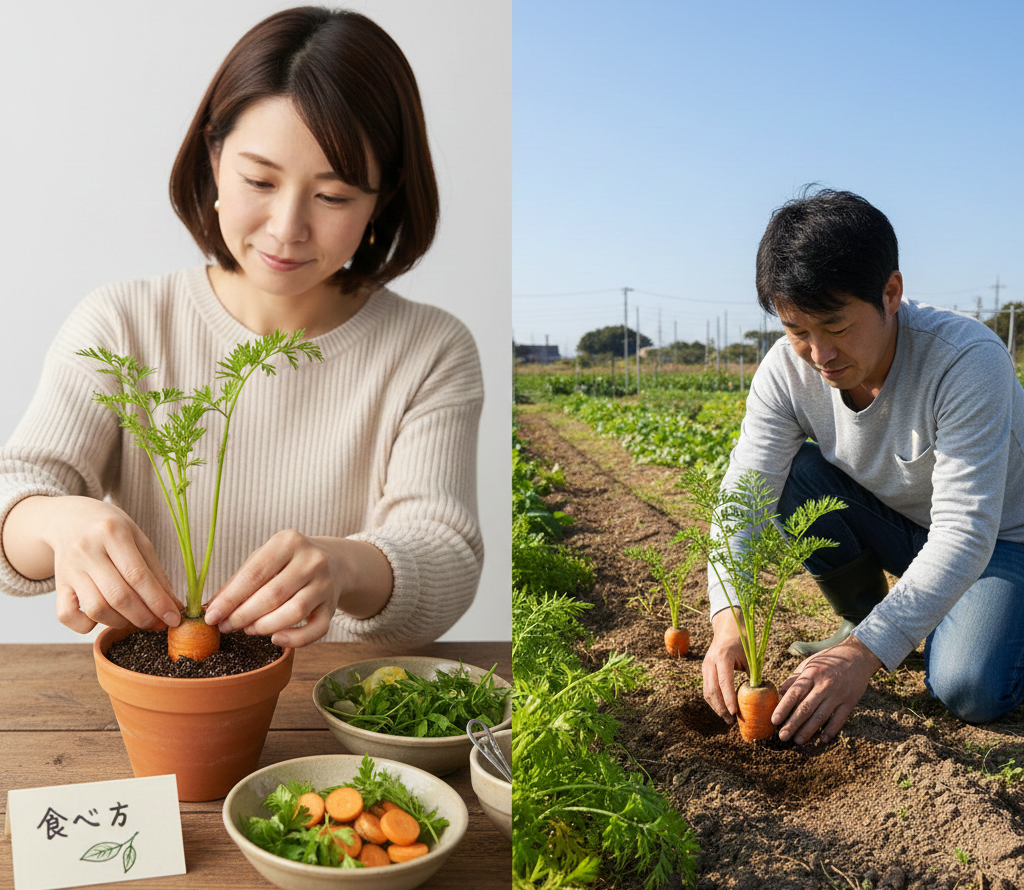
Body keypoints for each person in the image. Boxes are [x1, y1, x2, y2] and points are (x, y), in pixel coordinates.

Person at [0, 7, 483, 649]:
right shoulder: (122, 323)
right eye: (260, 180)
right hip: (159, 687)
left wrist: (343, 566)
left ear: (382, 200)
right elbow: (17, 493)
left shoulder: (430, 350)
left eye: (333, 196)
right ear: (214, 159)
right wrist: (58, 523)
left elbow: (445, 554)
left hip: (333, 707)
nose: (287, 228)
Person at [703, 188, 1024, 745]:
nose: (819, 354)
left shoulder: (965, 362)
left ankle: (958, 624)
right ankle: (871, 617)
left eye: (835, 325)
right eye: (798, 330)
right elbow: (743, 499)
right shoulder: (785, 374)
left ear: (891, 292)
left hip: (1005, 539)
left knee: (968, 685)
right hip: (915, 530)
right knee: (797, 477)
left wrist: (862, 656)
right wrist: (727, 616)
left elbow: (966, 531)